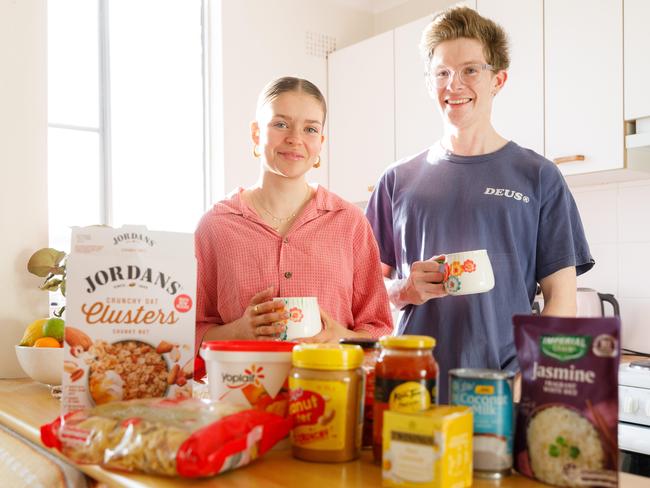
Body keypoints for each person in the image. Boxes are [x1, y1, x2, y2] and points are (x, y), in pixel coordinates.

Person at [365, 7, 594, 402]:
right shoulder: (396, 180)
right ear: (429, 82)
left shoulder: (538, 176)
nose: (454, 85)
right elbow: (365, 291)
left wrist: (526, 382)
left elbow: (562, 299)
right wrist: (405, 288)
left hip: (503, 388)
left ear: (497, 80)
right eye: (442, 72)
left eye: (470, 70)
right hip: (411, 386)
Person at [195, 76, 392, 361]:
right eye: (280, 124)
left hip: (331, 394)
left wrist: (342, 337)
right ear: (255, 133)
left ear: (320, 142)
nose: (295, 139)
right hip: (240, 395)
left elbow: (381, 330)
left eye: (310, 129)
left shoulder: (350, 222)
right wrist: (238, 331)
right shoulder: (215, 226)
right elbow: (191, 331)